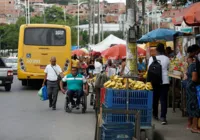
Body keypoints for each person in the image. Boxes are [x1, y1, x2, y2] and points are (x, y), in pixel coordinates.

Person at [148, 43, 170, 125]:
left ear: (156, 50)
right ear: (163, 50)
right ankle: (163, 117)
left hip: (155, 81)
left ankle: (155, 115)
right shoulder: (167, 59)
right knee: (163, 100)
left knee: (155, 99)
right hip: (165, 81)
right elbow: (168, 69)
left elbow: (149, 69)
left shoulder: (151, 58)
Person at [185, 45, 200, 133]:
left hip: (190, 86)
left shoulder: (190, 62)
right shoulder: (195, 64)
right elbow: (194, 78)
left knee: (191, 105)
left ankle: (190, 124)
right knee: (195, 105)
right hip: (193, 87)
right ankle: (194, 127)